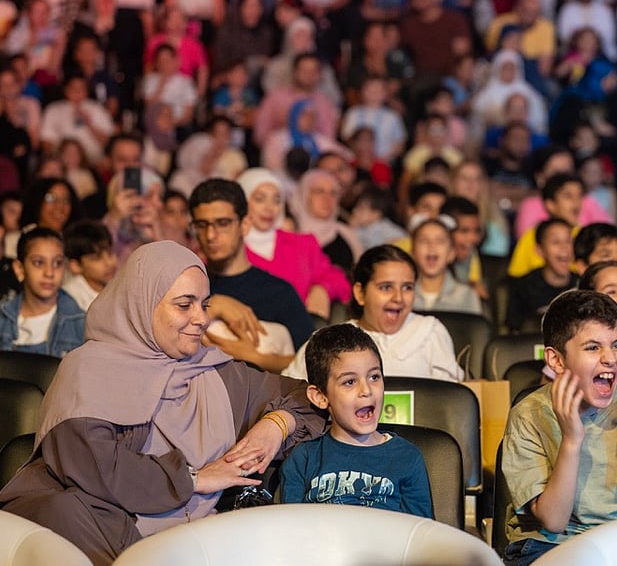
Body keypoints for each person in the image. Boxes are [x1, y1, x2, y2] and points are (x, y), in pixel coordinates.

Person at [0, 241, 325, 566]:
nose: (201, 319)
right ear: (143, 304)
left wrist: (277, 424)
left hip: (202, 542)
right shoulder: (88, 370)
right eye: (185, 305)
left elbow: (313, 398)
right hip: (109, 536)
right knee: (63, 512)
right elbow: (94, 467)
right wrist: (194, 479)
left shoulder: (215, 371)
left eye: (205, 304)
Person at [500, 290, 617, 566]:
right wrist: (571, 441)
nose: (610, 358)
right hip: (547, 545)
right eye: (593, 348)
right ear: (556, 360)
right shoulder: (528, 415)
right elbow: (553, 521)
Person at [280, 324, 433, 516]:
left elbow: (421, 537)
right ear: (320, 396)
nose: (367, 390)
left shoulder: (408, 458)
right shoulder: (303, 459)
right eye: (349, 382)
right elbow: (291, 531)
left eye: (374, 377)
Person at [188, 179, 315, 373]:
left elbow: (314, 362)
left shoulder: (278, 292)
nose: (211, 235)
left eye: (223, 223)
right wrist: (216, 305)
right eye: (202, 225)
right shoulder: (187, 285)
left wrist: (255, 357)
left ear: (245, 224)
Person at [283, 245, 461, 382]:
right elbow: (291, 394)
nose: (398, 297)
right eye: (386, 287)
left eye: (407, 287)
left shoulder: (430, 332)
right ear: (360, 293)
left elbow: (453, 405)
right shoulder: (330, 340)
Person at [236, 168, 350, 317]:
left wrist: (323, 289)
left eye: (276, 200)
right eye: (259, 199)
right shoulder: (230, 248)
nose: (269, 208)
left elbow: (338, 279)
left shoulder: (301, 244)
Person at [0, 227, 84, 357]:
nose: (49, 273)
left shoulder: (81, 323)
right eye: (38, 262)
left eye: (57, 263)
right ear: (19, 269)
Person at [507, 218, 576, 333]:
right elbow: (514, 335)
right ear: (539, 250)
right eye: (556, 242)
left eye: (569, 241)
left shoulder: (582, 284)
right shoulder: (523, 286)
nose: (564, 248)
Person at [290, 168, 364, 275]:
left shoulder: (347, 235)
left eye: (333, 193)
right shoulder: (290, 234)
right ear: (304, 195)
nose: (327, 198)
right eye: (319, 191)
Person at [410, 216, 483, 316]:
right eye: (424, 240)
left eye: (440, 241)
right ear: (413, 252)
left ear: (451, 253)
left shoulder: (466, 296)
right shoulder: (402, 295)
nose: (432, 246)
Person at [61, 219, 117, 311]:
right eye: (96, 258)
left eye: (110, 253)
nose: (109, 263)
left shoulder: (115, 286)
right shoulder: (71, 297)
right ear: (76, 266)